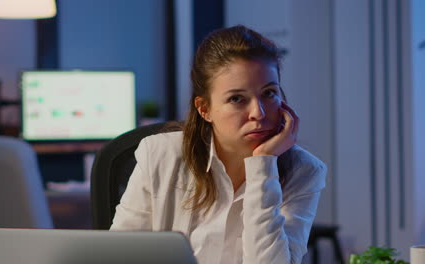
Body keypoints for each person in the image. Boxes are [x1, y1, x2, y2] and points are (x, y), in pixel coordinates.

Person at [110, 25, 326, 264]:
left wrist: (263, 164)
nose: (258, 112)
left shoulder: (304, 171)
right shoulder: (160, 155)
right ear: (205, 109)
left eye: (269, 93)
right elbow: (119, 255)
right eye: (237, 99)